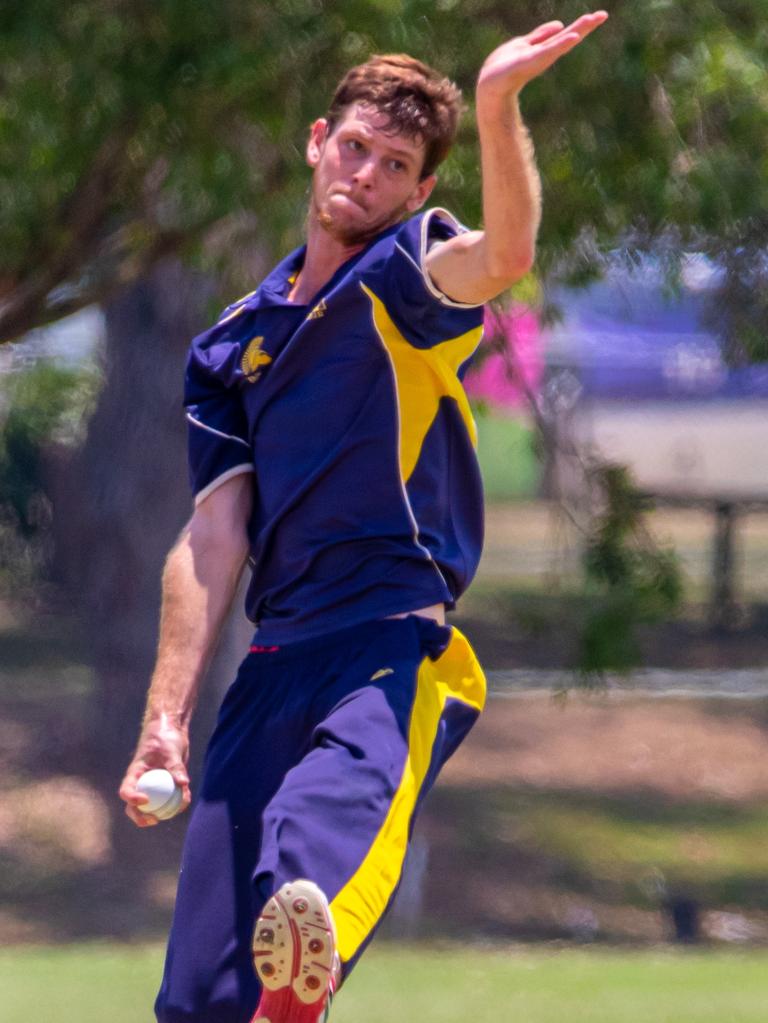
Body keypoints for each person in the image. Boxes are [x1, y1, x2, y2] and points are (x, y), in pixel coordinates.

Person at [119, 13, 608, 1023]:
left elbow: (504, 255)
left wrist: (497, 101)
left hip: (385, 648)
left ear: (421, 191)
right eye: (355, 147)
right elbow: (213, 540)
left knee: (313, 853)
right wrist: (165, 718)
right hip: (270, 663)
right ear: (315, 140)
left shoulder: (404, 285)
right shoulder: (229, 349)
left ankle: (304, 979)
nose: (368, 174)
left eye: (396, 165)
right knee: (195, 999)